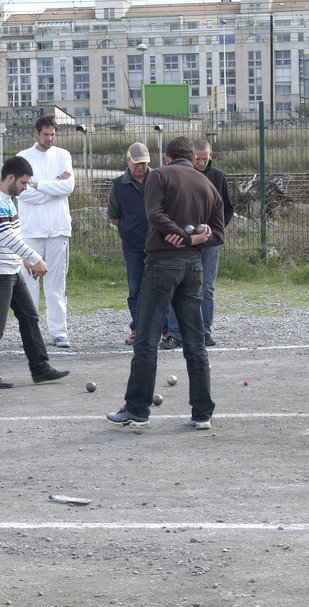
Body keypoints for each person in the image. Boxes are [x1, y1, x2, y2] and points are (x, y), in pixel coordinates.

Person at [107, 136, 225, 430]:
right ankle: (203, 413)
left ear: (166, 158)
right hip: (193, 267)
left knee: (146, 339)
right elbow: (219, 234)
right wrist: (196, 237)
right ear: (192, 157)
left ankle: (137, 411)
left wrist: (180, 236)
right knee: (195, 342)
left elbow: (153, 215)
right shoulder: (208, 184)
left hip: (161, 265)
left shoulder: (159, 177)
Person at [0, 155, 70, 389]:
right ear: (10, 178)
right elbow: (6, 237)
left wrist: (24, 261)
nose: (26, 188)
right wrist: (35, 258)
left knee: (29, 317)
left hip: (11, 270)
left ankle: (40, 369)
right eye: (23, 183)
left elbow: (15, 233)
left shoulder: (7, 199)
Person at [161, 139, 235, 350]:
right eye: (198, 159)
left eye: (205, 159)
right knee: (178, 284)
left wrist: (215, 231)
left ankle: (204, 331)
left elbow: (227, 208)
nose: (201, 163)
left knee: (206, 287)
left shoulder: (218, 177)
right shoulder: (180, 176)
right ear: (192, 157)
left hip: (209, 242)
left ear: (210, 156)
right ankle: (175, 333)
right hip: (185, 240)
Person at [16, 115, 75, 348]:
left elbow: (68, 187)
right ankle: (31, 333)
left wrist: (39, 184)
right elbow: (22, 192)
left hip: (58, 228)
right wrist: (53, 186)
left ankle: (59, 332)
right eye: (45, 135)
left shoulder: (63, 155)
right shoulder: (23, 157)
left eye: (52, 134)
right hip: (30, 229)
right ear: (36, 133)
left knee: (56, 283)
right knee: (28, 285)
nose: (49, 139)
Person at [107, 141, 169, 345]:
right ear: (128, 161)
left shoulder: (160, 179)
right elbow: (114, 217)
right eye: (137, 163)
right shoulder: (118, 186)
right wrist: (128, 231)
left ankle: (166, 329)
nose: (141, 167)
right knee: (136, 290)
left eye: (144, 163)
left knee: (162, 287)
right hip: (133, 247)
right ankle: (138, 328)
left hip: (160, 246)